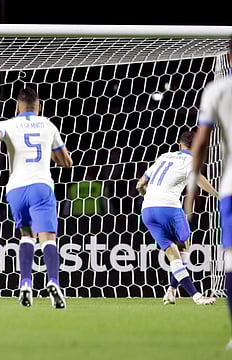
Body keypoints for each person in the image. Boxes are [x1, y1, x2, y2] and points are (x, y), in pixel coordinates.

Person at [0, 87, 73, 309]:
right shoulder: (48, 124)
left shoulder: (7, 124)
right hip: (41, 186)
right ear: (39, 107)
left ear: (17, 107)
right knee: (47, 238)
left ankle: (25, 284)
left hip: (16, 189)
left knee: (26, 236)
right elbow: (66, 162)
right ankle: (53, 282)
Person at [184, 35, 232, 349]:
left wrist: (191, 193)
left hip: (231, 186)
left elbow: (199, 145)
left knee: (231, 260)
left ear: (228, 57)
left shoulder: (218, 89)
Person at [136, 131, 217, 306]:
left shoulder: (164, 156)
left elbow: (140, 184)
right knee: (183, 248)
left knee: (173, 255)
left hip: (148, 210)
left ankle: (171, 292)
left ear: (180, 145)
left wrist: (149, 198)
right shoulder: (190, 161)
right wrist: (218, 194)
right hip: (169, 208)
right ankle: (197, 297)